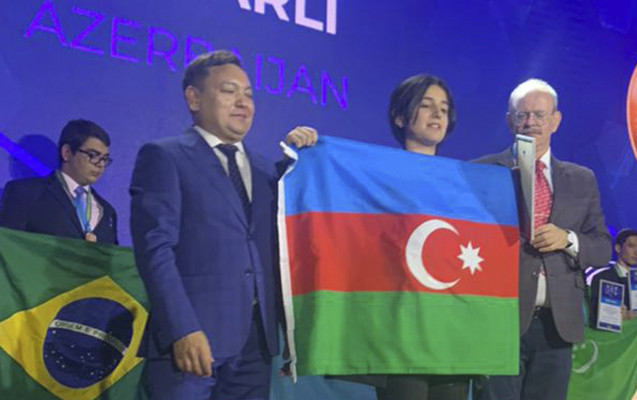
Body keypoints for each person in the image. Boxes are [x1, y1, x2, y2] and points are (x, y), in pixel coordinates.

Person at [130, 50, 313, 400]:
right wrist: (182, 329)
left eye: (249, 94)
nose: (243, 102)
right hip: (192, 343)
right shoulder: (164, 156)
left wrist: (303, 158)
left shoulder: (267, 170)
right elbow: (155, 250)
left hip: (256, 347)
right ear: (194, 98)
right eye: (229, 91)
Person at [287, 74, 470, 400]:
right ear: (400, 117)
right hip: (396, 333)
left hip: (448, 332)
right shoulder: (372, 177)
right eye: (426, 105)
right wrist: (301, 155)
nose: (437, 114)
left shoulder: (466, 186)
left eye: (444, 108)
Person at [476, 79, 612, 400]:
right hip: (499, 320)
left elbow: (601, 247)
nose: (531, 123)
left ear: (556, 121)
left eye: (539, 115)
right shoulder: (482, 172)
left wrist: (568, 239)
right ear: (509, 120)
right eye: (522, 115)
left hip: (557, 325)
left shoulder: (582, 179)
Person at [0, 119, 117, 244]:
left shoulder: (107, 212)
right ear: (66, 153)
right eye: (92, 155)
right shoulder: (25, 194)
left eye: (105, 159)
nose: (100, 165)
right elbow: (7, 247)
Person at [589, 228, 637, 327]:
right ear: (618, 248)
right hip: (618, 334)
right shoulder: (602, 278)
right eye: (631, 246)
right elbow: (595, 316)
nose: (636, 252)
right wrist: (618, 316)